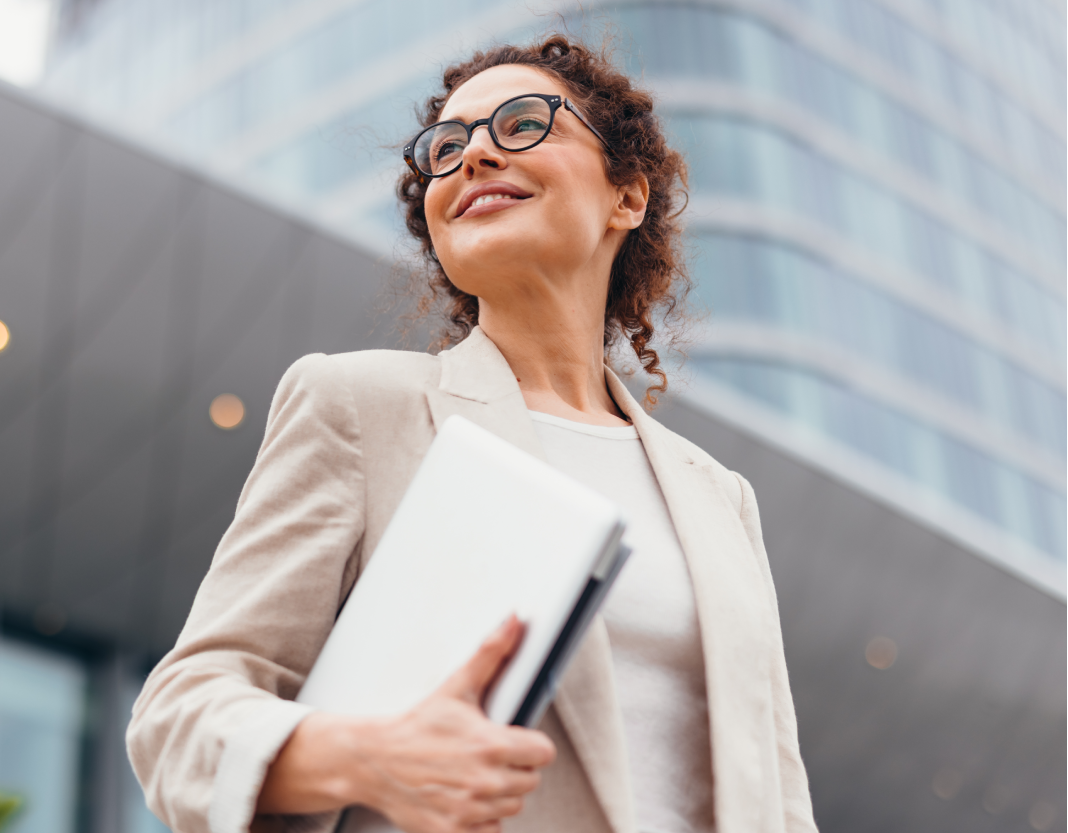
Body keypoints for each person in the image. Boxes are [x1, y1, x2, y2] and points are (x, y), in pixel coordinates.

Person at [127, 35, 816, 833]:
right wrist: (367, 756)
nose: (474, 155)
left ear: (626, 196)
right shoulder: (358, 406)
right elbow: (179, 718)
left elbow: (778, 791)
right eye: (446, 146)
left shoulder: (718, 495)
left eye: (523, 124)